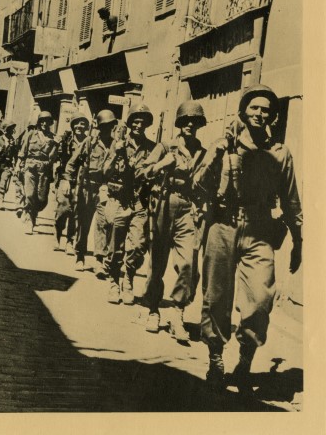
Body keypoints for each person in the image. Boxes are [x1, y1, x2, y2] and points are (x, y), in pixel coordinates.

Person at [192, 85, 302, 393]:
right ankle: (215, 359)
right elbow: (197, 186)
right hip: (223, 226)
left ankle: (245, 361)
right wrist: (215, 154)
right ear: (243, 111)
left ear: (273, 116)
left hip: (259, 230)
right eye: (254, 107)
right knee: (216, 297)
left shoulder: (280, 154)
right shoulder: (224, 146)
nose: (259, 113)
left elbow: (292, 202)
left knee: (260, 300)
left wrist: (299, 242)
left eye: (266, 109)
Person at [138, 100, 207, 340]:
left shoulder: (202, 152)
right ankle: (153, 309)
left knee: (189, 262)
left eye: (194, 121)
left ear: (200, 124)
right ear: (179, 123)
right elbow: (142, 172)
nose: (190, 125)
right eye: (185, 121)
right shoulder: (166, 146)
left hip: (188, 208)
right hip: (163, 205)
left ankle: (178, 313)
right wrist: (160, 165)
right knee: (158, 262)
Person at [101, 103, 156, 304]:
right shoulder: (117, 144)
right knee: (115, 246)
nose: (138, 125)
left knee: (138, 245)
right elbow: (105, 172)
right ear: (130, 123)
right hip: (118, 200)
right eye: (135, 121)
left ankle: (128, 279)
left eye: (143, 122)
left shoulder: (152, 148)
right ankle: (114, 282)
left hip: (139, 201)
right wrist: (117, 152)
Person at [62, 110, 117, 270]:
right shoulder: (89, 142)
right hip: (87, 188)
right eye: (104, 126)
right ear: (99, 127)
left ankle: (99, 260)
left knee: (103, 223)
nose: (107, 129)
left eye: (110, 126)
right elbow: (72, 163)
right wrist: (67, 180)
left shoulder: (116, 145)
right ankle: (80, 255)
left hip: (104, 189)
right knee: (83, 223)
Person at [17, 111, 58, 235]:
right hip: (30, 166)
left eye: (47, 122)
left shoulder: (53, 137)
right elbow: (23, 151)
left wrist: (56, 145)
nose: (45, 124)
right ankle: (30, 220)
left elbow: (54, 158)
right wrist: (18, 165)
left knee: (41, 199)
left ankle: (30, 211)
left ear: (50, 123)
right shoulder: (31, 134)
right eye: (42, 121)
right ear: (39, 123)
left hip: (44, 169)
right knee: (30, 194)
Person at [54, 113, 90, 253]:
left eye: (83, 124)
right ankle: (57, 234)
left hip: (82, 181)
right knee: (63, 209)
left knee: (76, 212)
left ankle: (70, 241)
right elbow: (58, 159)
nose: (80, 126)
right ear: (73, 126)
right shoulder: (66, 141)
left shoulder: (89, 142)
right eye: (77, 123)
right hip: (65, 179)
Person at [13, 119, 37, 217]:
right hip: (22, 163)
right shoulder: (23, 136)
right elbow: (17, 149)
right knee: (19, 184)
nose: (33, 130)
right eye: (31, 128)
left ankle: (25, 207)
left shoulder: (36, 137)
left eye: (34, 128)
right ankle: (19, 205)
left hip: (30, 165)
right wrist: (17, 164)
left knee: (28, 188)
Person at [0, 122, 18, 210]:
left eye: (12, 129)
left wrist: (16, 166)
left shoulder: (13, 141)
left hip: (7, 165)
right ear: (5, 130)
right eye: (10, 129)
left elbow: (16, 155)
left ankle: (0, 200)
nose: (12, 131)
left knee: (3, 181)